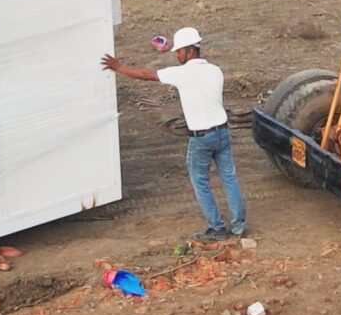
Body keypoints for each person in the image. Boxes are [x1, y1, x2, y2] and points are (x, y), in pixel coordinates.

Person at [102, 26, 246, 240]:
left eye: (179, 51)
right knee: (229, 178)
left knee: (200, 181)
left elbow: (144, 75)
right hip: (222, 132)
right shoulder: (216, 70)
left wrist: (118, 67)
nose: (177, 55)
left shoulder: (183, 74)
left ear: (189, 50)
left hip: (202, 137)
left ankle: (216, 228)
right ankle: (239, 227)